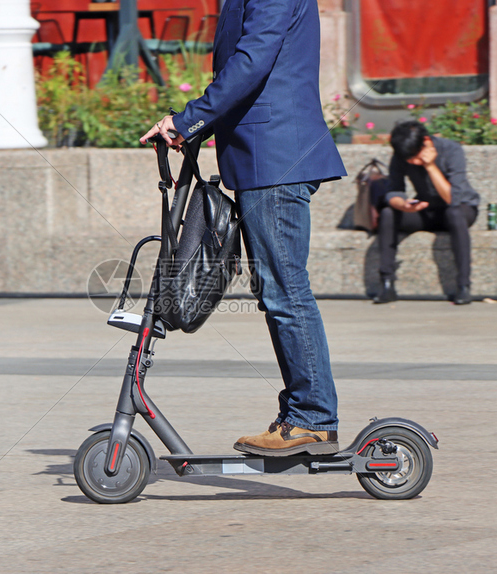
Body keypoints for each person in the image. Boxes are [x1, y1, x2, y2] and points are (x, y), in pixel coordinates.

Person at [140, 0, 347, 456]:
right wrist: (193, 127)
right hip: (262, 157)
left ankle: (312, 417)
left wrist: (187, 119)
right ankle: (305, 413)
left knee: (284, 290)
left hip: (276, 157)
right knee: (277, 290)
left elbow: (253, 60)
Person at [373, 121, 480, 305]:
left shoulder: (451, 150)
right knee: (389, 213)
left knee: (454, 213)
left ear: (427, 141)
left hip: (461, 209)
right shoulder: (401, 154)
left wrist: (430, 166)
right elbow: (393, 191)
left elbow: (452, 198)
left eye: (415, 156)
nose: (413, 162)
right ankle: (387, 284)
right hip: (426, 209)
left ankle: (463, 286)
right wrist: (404, 205)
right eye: (409, 159)